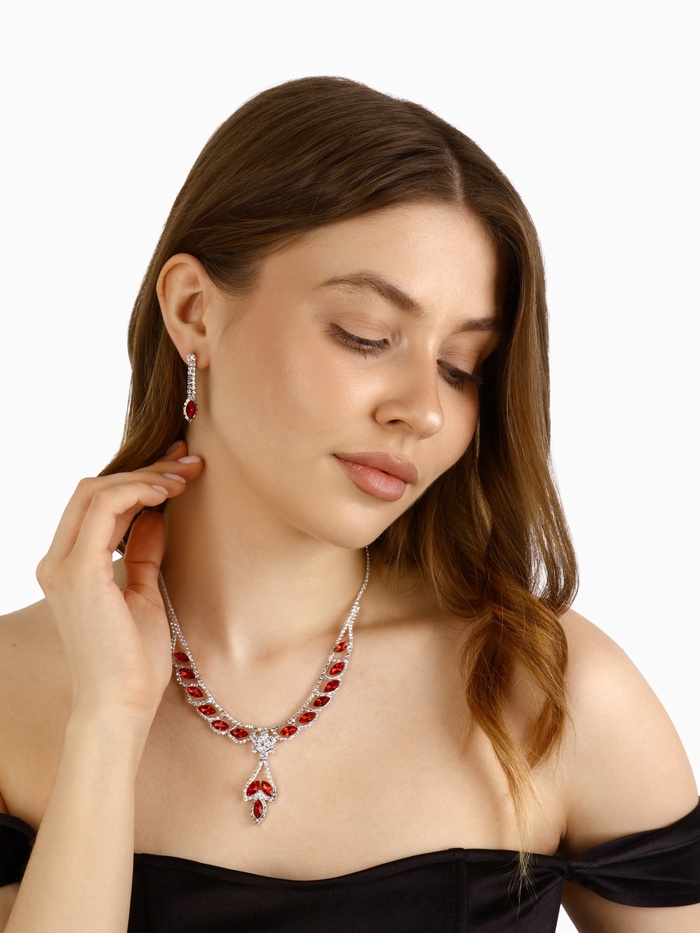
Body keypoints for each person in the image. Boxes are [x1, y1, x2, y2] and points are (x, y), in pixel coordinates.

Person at [0, 76, 698, 933]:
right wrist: (105, 724)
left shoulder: (554, 691)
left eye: (461, 368)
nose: (425, 410)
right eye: (366, 335)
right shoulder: (11, 690)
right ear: (193, 311)